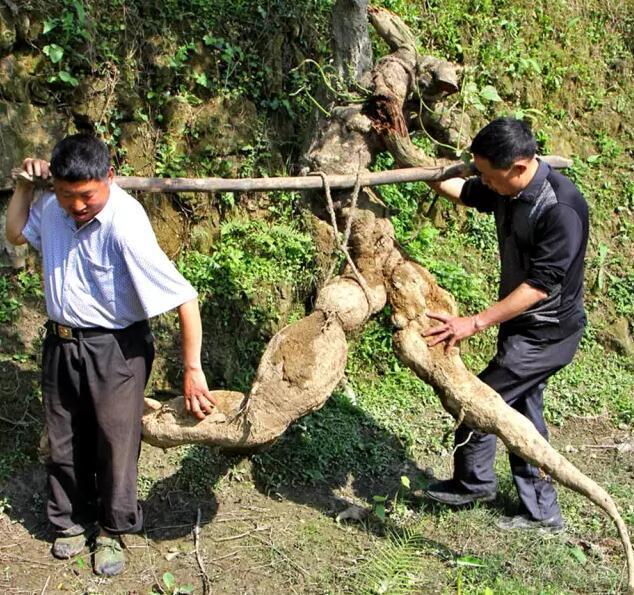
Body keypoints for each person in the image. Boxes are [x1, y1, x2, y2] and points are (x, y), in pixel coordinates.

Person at [5, 134, 217, 576]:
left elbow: (184, 297)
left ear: (109, 178)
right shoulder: (52, 206)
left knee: (116, 441)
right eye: (67, 195)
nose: (77, 205)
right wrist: (27, 186)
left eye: (87, 195)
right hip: (61, 341)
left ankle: (111, 528)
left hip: (117, 348)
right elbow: (14, 234)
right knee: (63, 436)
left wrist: (192, 370)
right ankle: (68, 521)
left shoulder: (125, 223)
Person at [422, 117, 588, 532]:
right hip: (524, 329)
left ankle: (475, 484)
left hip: (546, 334)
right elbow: (464, 190)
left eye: (490, 176)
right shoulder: (506, 190)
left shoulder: (561, 207)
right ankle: (537, 509)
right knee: (522, 414)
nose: (486, 183)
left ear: (518, 167)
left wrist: (472, 323)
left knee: (478, 399)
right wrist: (426, 172)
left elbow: (538, 287)